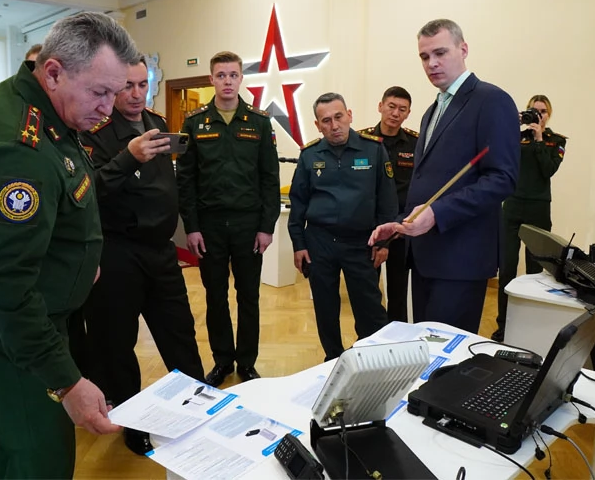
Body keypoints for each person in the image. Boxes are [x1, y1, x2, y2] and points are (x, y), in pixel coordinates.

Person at [0, 12, 140, 479]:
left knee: (13, 448)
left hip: (22, 322)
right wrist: (67, 382)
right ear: (52, 73)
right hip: (9, 332)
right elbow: (4, 288)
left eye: (114, 93)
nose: (108, 109)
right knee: (41, 457)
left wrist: (80, 262)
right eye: (100, 92)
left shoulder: (42, 111)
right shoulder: (18, 150)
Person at [80, 56, 205, 455]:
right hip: (118, 252)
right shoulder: (95, 132)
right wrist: (128, 157)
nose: (136, 94)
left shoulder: (156, 123)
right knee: (117, 342)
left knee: (179, 331)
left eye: (142, 85)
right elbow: (88, 190)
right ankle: (133, 420)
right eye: (127, 86)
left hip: (161, 251)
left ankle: (198, 405)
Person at [369, 19, 519, 334]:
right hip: (425, 254)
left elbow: (502, 178)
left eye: (440, 53)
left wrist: (437, 213)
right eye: (424, 56)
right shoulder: (432, 110)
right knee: (427, 348)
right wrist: (401, 222)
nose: (432, 63)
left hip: (460, 258)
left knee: (447, 354)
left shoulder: (491, 100)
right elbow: (427, 183)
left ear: (463, 49)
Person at [177, 51, 280, 387]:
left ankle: (247, 363)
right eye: (221, 75)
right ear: (211, 79)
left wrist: (266, 227)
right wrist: (191, 227)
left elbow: (270, 177)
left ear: (241, 79)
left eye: (233, 75)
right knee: (215, 295)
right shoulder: (194, 123)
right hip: (209, 226)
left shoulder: (259, 122)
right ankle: (223, 360)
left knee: (248, 296)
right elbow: (186, 179)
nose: (227, 81)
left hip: (249, 225)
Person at [289, 92, 397, 360]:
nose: (334, 125)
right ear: (318, 125)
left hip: (362, 243)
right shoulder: (309, 155)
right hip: (320, 242)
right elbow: (298, 203)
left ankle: (369, 358)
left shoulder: (373, 149)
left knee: (370, 309)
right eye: (326, 121)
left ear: (349, 116)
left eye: (339, 117)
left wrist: (384, 242)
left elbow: (387, 201)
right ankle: (333, 359)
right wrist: (298, 244)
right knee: (325, 308)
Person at [492, 95, 566, 342]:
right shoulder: (515, 137)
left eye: (543, 111)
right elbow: (501, 159)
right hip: (512, 207)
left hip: (538, 209)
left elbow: (548, 170)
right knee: (507, 269)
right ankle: (503, 325)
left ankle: (530, 326)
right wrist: (511, 126)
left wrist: (538, 140)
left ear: (549, 115)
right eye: (533, 111)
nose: (538, 115)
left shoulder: (556, 141)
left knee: (535, 271)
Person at [359, 86, 417, 323]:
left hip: (401, 230)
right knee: (367, 293)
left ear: (408, 113)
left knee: (398, 293)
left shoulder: (416, 143)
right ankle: (369, 335)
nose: (395, 113)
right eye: (391, 106)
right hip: (369, 229)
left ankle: (397, 337)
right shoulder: (362, 141)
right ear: (380, 106)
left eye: (402, 109)